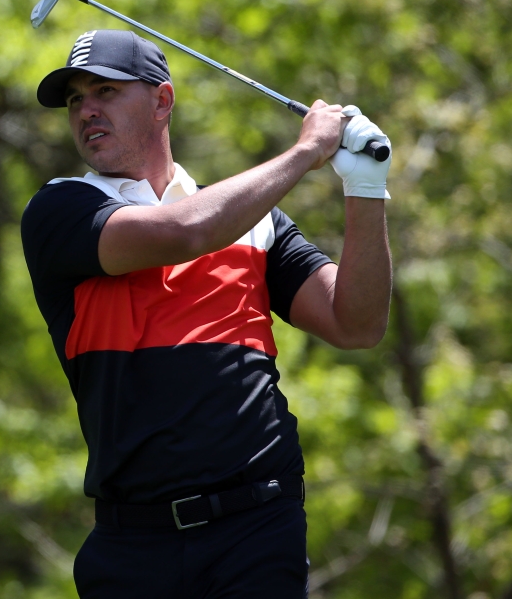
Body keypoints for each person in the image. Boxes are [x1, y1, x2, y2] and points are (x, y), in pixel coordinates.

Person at [20, 29, 392, 598]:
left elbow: (357, 324)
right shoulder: (62, 208)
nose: (85, 110)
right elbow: (186, 230)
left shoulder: (255, 222)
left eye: (104, 91)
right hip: (132, 544)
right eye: (75, 100)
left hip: (258, 528)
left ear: (162, 101)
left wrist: (366, 187)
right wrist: (305, 153)